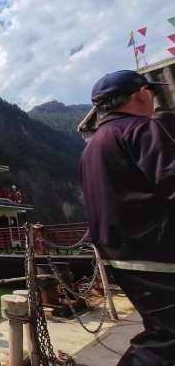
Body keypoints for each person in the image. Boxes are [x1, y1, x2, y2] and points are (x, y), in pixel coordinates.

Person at [80, 70, 173, 366]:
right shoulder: (141, 129)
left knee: (162, 331)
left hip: (118, 254)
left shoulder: (92, 146)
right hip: (156, 251)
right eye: (152, 92)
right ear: (139, 95)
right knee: (166, 338)